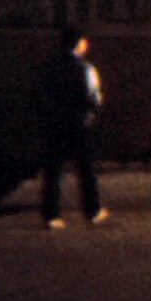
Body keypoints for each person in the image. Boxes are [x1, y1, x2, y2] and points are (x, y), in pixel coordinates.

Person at [39, 27, 106, 228]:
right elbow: (93, 97)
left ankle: (51, 215)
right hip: (79, 124)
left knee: (53, 171)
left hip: (54, 123)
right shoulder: (85, 68)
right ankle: (92, 210)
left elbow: (41, 94)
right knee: (85, 170)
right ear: (78, 43)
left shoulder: (49, 67)